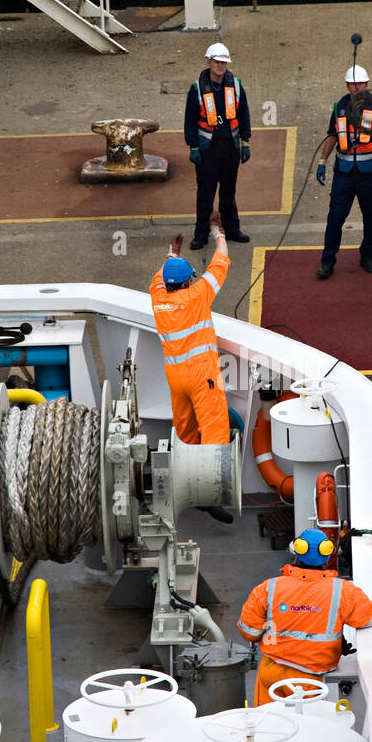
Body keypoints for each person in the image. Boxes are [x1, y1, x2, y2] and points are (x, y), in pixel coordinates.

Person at [237, 529, 372, 706]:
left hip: (270, 673)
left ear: (296, 554)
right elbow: (369, 617)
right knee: (305, 726)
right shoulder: (343, 591)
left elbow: (249, 632)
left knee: (268, 726)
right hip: (308, 681)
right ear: (327, 557)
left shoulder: (268, 587)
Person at [149, 210, 231, 450]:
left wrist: (172, 254)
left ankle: (187, 478)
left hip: (175, 377)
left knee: (185, 433)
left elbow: (160, 277)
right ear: (187, 282)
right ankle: (214, 484)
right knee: (214, 431)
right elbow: (220, 262)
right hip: (201, 374)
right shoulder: (197, 295)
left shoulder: (158, 299)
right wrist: (218, 233)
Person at [315, 65, 372, 278]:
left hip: (369, 173)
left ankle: (368, 255)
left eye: (359, 84)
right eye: (352, 84)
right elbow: (332, 135)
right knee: (335, 218)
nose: (355, 88)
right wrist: (322, 161)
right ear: (347, 85)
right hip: (344, 174)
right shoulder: (339, 107)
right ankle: (327, 261)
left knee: (370, 216)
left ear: (366, 84)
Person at [185, 43, 252, 251]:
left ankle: (232, 229)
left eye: (224, 62)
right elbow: (190, 120)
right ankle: (201, 234)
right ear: (209, 62)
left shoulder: (237, 86)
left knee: (228, 192)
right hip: (208, 150)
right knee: (205, 194)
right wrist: (194, 147)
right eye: (217, 62)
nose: (221, 66)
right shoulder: (197, 89)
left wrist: (245, 141)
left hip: (230, 147)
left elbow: (244, 115)